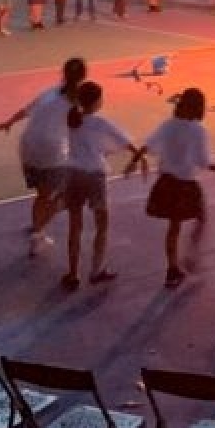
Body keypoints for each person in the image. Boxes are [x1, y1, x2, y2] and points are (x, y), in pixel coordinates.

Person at [131, 87, 215, 288]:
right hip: (185, 185)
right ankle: (187, 257)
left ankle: (173, 266)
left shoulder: (168, 125)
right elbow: (203, 161)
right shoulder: (198, 130)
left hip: (167, 182)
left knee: (173, 228)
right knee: (194, 218)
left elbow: (148, 145)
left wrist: (134, 160)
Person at [0, 58, 88, 257]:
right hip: (51, 152)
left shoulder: (50, 92)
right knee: (69, 195)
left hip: (28, 148)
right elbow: (80, 128)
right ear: (84, 76)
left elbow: (26, 110)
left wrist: (9, 122)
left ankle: (38, 222)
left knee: (43, 195)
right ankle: (38, 232)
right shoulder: (78, 102)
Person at [61, 81, 143, 290]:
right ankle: (96, 270)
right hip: (94, 175)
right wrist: (138, 157)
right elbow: (124, 140)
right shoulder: (100, 122)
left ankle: (72, 273)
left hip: (73, 174)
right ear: (97, 101)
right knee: (101, 225)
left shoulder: (72, 120)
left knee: (75, 226)